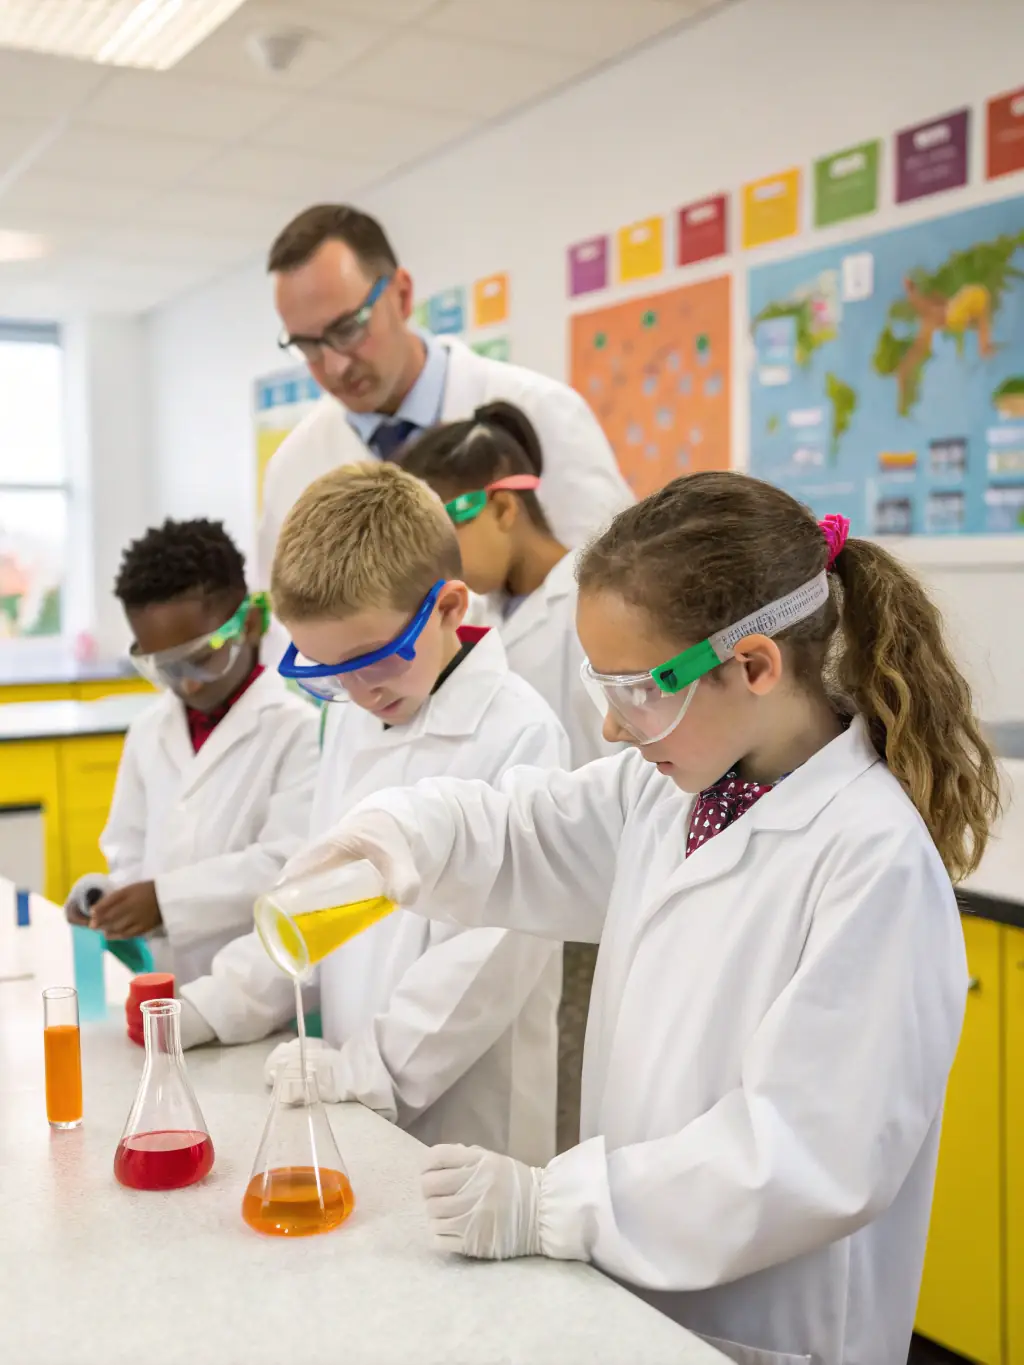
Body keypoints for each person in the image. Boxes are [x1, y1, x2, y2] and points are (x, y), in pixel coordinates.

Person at [282, 473, 1000, 1365]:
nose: (615, 729)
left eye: (636, 690)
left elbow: (810, 1156)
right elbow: (527, 830)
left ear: (754, 666)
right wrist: (405, 832)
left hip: (772, 1324)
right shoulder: (670, 794)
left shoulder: (871, 859)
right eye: (601, 686)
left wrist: (557, 1205)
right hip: (638, 1300)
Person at [179, 464, 567, 1166]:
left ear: (449, 607)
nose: (357, 691)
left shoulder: (521, 733)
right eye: (329, 671)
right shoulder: (360, 721)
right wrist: (218, 1002)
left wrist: (368, 1070)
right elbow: (312, 892)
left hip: (470, 1115)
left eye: (374, 659)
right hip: (352, 1097)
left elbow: (488, 961)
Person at [403, 399, 616, 1153]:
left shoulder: (592, 606)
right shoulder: (488, 614)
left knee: (569, 1116)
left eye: (439, 538)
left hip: (590, 905)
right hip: (512, 887)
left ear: (499, 506)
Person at [256, 203, 632, 606]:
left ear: (401, 295)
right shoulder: (293, 468)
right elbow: (288, 631)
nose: (335, 365)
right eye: (306, 345)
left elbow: (619, 589)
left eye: (348, 328)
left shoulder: (545, 412)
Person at [64, 519, 319, 985]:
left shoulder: (298, 729)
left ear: (253, 623)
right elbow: (127, 850)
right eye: (163, 666)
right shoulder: (148, 731)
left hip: (263, 993)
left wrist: (165, 901)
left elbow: (287, 865)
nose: (185, 682)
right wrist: (111, 899)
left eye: (202, 658)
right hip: (164, 989)